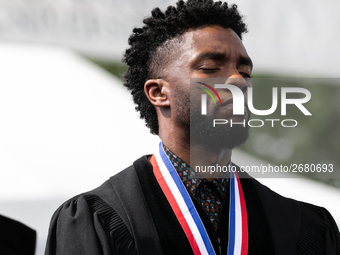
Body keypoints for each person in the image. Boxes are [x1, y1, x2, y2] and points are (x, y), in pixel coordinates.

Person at [45, 0, 340, 254]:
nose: (238, 81)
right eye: (211, 69)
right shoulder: (97, 219)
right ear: (158, 93)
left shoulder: (303, 226)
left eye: (245, 72)